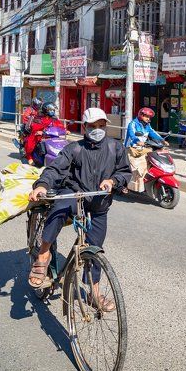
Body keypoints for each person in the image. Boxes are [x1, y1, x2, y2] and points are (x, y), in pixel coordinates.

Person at [27, 107, 130, 302]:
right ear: (85, 127)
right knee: (59, 209)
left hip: (99, 204)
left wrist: (113, 181)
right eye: (92, 126)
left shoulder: (115, 148)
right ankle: (43, 253)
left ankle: (94, 293)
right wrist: (42, 185)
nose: (97, 130)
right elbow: (55, 169)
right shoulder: (74, 148)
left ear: (106, 126)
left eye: (101, 126)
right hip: (75, 194)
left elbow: (124, 172)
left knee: (95, 248)